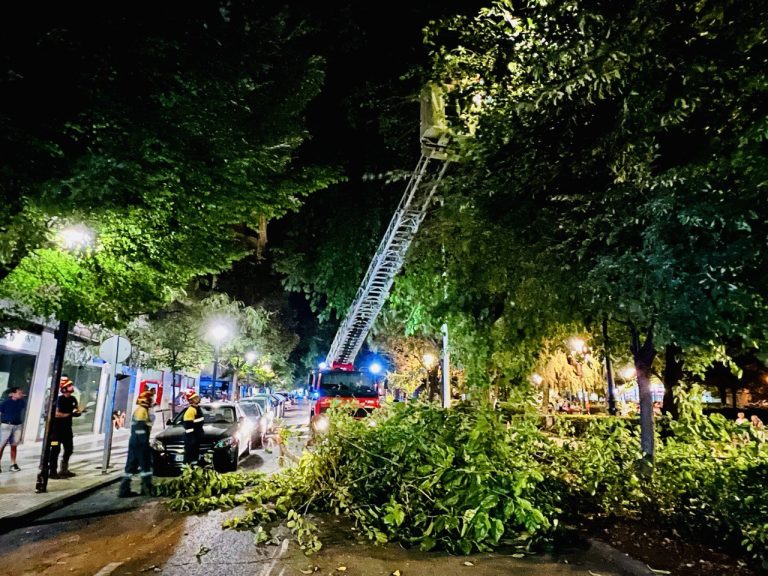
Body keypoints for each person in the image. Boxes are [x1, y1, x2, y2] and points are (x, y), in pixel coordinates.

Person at [118, 391, 154, 498]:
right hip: (140, 442)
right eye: (150, 399)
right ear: (146, 400)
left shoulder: (139, 410)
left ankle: (124, 490)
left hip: (134, 441)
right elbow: (141, 428)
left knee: (130, 466)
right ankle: (147, 488)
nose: (151, 401)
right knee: (145, 465)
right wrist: (145, 445)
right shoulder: (142, 411)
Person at [48, 375, 84, 479]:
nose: (72, 387)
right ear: (64, 389)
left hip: (67, 429)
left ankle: (64, 469)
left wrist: (78, 412)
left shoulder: (73, 399)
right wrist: (69, 414)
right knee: (55, 450)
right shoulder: (59, 399)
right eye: (69, 386)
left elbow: (75, 409)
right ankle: (52, 471)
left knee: (69, 449)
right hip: (56, 430)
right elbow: (57, 413)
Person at [0, 387, 27, 472]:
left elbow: (23, 405)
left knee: (14, 445)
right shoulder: (5, 403)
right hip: (6, 425)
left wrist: (21, 396)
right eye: (19, 393)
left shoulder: (22, 402)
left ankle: (13, 464)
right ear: (12, 394)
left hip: (17, 426)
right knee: (1, 445)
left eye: (21, 393)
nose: (21, 394)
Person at [182, 389, 204, 466]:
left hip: (196, 437)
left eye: (197, 397)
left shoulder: (197, 408)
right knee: (189, 456)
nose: (198, 398)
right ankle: (187, 471)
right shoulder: (191, 410)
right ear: (191, 400)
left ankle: (193, 470)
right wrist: (192, 440)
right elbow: (188, 427)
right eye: (195, 397)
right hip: (191, 438)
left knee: (194, 456)